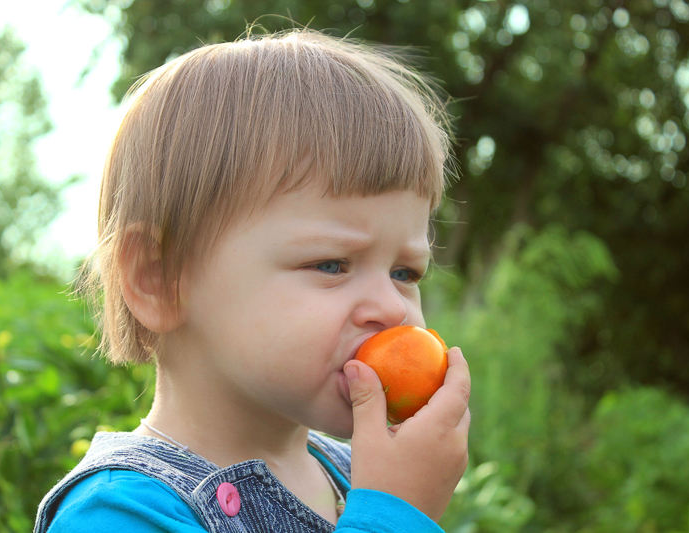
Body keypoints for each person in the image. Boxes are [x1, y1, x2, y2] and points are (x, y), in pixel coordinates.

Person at [34, 28, 470, 533]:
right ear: (159, 278)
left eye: (404, 273)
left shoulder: (357, 477)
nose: (393, 310)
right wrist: (396, 517)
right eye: (331, 264)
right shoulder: (119, 513)